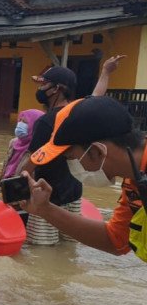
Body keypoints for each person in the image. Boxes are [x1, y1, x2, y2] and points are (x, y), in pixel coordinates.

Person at [22, 96, 147, 262]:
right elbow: (115, 240)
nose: (70, 165)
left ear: (96, 151)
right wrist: (44, 209)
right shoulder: (134, 180)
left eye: (70, 157)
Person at [23, 57, 124, 244]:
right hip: (74, 193)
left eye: (44, 85)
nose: (40, 89)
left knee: (41, 250)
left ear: (57, 89)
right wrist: (105, 72)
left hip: (46, 195)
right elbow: (96, 97)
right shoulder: (80, 112)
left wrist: (12, 185)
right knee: (69, 248)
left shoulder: (45, 122)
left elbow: (33, 159)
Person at [0, 109, 44, 192]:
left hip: (19, 193)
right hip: (5, 187)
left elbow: (30, 180)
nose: (20, 124)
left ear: (34, 126)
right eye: (20, 121)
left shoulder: (39, 150)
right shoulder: (13, 143)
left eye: (25, 122)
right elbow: (4, 171)